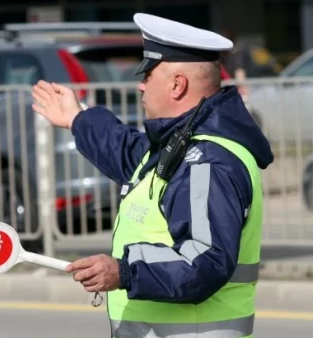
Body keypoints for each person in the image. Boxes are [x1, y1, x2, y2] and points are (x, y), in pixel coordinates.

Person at [32, 13, 274, 338]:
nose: (140, 84)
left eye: (148, 74)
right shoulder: (180, 145)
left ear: (177, 84)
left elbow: (206, 260)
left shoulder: (207, 161)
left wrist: (123, 272)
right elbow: (126, 150)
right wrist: (77, 118)